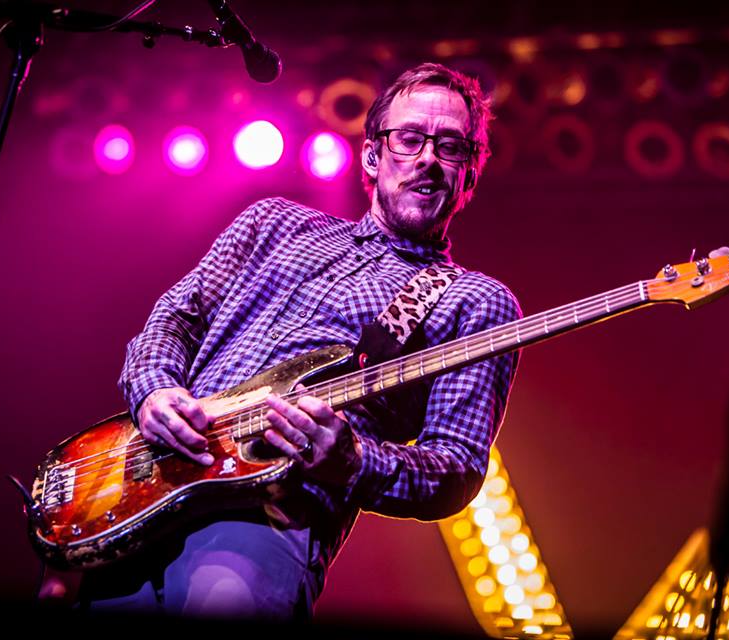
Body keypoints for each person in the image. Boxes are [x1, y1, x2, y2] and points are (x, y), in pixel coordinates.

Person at [39, 62, 523, 621]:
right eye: (409, 139)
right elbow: (176, 317)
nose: (428, 160)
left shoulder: (474, 301)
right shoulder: (273, 223)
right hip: (140, 497)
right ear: (372, 155)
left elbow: (455, 467)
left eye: (451, 147)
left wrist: (354, 459)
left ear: (469, 175)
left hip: (264, 523)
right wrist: (154, 392)